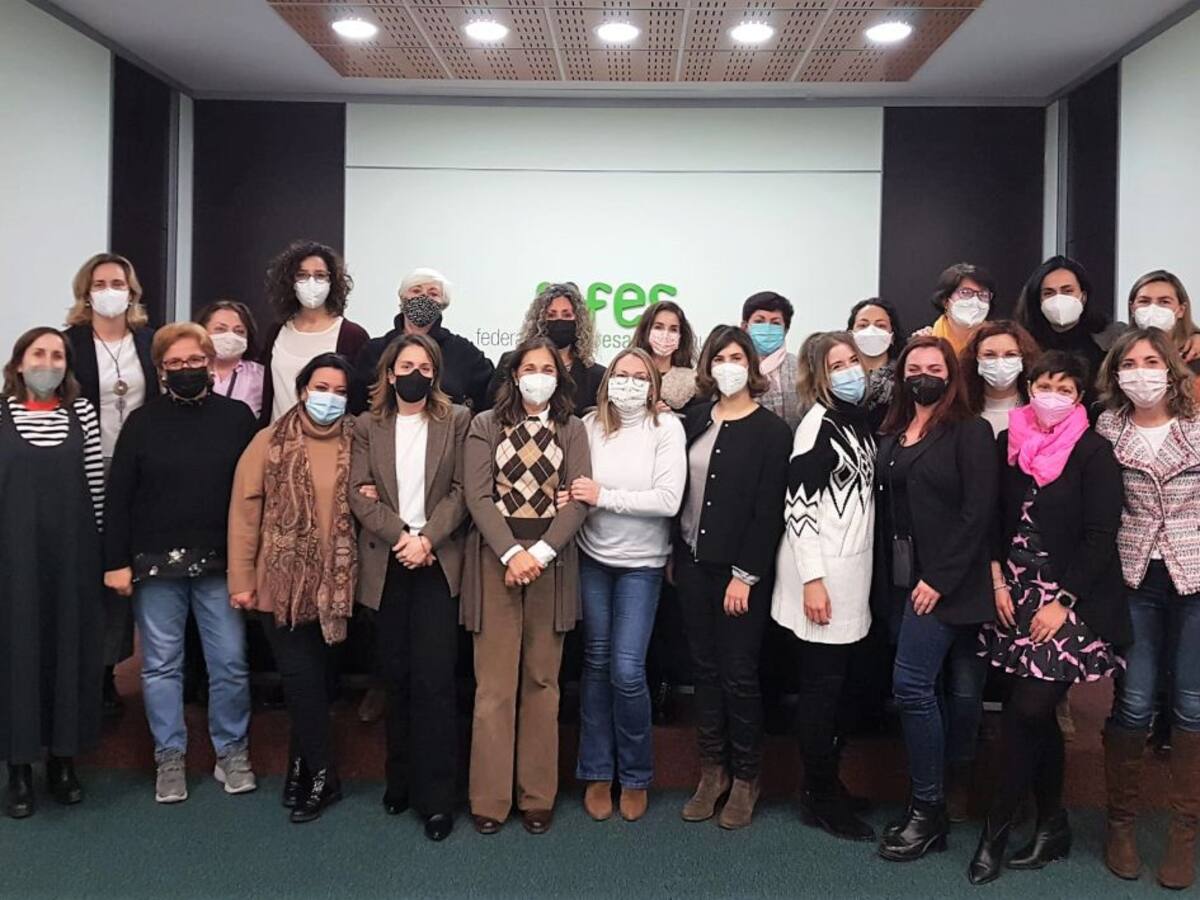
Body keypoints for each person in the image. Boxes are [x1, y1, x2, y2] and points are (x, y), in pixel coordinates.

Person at [969, 351, 1128, 884]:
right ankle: (1052, 823)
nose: (1052, 396)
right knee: (1034, 715)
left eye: (1065, 388)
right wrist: (996, 579)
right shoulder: (1008, 441)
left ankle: (995, 832)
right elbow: (993, 518)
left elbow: (1101, 535)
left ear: (1079, 397)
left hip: (1068, 601)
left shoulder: (1094, 451)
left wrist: (1064, 601)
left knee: (1028, 709)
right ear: (1029, 386)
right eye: (1044, 385)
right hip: (1013, 594)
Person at [103, 323, 257, 805]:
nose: (186, 369)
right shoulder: (141, 423)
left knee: (229, 661)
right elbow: (119, 496)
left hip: (221, 562)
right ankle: (169, 755)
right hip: (154, 565)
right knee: (161, 665)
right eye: (175, 363)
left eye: (195, 360)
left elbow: (255, 493)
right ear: (160, 370)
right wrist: (115, 562)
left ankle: (231, 749)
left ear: (210, 364)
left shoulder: (237, 418)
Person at [875, 336, 997, 862]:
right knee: (927, 689)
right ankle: (930, 802)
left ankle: (928, 811)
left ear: (951, 374)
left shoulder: (971, 431)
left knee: (911, 687)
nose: (923, 375)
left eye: (934, 366)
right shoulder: (893, 431)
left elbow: (979, 512)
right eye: (914, 368)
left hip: (946, 585)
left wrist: (940, 579)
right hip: (901, 581)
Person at [463, 338, 591, 835]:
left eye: (548, 369)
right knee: (494, 686)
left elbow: (577, 500)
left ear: (560, 377)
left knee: (542, 682)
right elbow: (478, 497)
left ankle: (537, 796)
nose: (539, 376)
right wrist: (511, 553)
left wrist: (538, 554)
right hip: (495, 560)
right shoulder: (485, 425)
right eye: (530, 368)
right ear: (514, 375)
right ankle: (489, 799)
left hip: (550, 563)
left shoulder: (572, 428)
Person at [348, 334, 470, 841]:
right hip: (389, 561)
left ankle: (437, 798)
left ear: (435, 373)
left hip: (437, 561)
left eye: (424, 366)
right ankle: (399, 778)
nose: (414, 373)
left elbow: (462, 492)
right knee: (395, 677)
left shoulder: (457, 420)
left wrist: (425, 540)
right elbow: (358, 493)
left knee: (435, 681)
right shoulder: (366, 425)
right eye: (405, 365)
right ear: (389, 373)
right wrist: (402, 537)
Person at [228, 352, 356, 824]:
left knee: (317, 684)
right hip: (279, 586)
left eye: (340, 391)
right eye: (321, 388)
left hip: (338, 588)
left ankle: (300, 767)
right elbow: (245, 514)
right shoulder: (269, 441)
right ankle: (325, 776)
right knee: (301, 681)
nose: (329, 398)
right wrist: (241, 579)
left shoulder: (359, 441)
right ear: (303, 390)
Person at [1096, 328, 1200, 890]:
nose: (1142, 372)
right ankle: (1121, 824)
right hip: (1134, 576)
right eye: (1130, 363)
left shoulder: (1197, 425)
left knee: (1191, 704)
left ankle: (1184, 831)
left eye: (1151, 361)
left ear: (1170, 368)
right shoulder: (1106, 428)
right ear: (1116, 374)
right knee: (1134, 702)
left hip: (1195, 575)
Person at [677, 325, 791, 830]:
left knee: (739, 674)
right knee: (703, 670)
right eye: (720, 358)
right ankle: (712, 772)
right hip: (691, 565)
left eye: (737, 358)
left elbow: (768, 512)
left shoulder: (772, 431)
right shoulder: (695, 419)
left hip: (740, 574)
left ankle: (746, 777)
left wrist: (745, 576)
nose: (728, 367)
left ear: (752, 366)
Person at [568, 348, 686, 823]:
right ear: (608, 380)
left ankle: (635, 774)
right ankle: (597, 770)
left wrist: (604, 497)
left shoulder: (666, 428)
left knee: (628, 669)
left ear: (653, 386)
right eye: (622, 374)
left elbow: (668, 500)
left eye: (640, 377)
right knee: (596, 664)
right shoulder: (588, 424)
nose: (630, 383)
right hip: (592, 559)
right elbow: (572, 485)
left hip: (642, 565)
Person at [772, 332, 877, 842]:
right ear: (818, 375)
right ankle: (818, 795)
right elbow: (799, 510)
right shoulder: (817, 425)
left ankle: (828, 783)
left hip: (853, 577)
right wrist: (813, 581)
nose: (850, 370)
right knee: (820, 692)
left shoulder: (854, 421)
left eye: (853, 360)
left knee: (838, 690)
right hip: (821, 580)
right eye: (837, 365)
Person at [1, 328, 104, 819]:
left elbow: (96, 488)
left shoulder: (81, 413)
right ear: (19, 363)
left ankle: (64, 761)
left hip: (72, 558)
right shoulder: (0, 413)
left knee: (69, 653)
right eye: (38, 354)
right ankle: (18, 768)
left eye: (57, 355)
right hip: (12, 559)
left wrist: (101, 555)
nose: (48, 363)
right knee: (15, 656)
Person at [63, 252, 158, 716]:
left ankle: (108, 670)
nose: (109, 291)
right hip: (84, 467)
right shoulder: (69, 344)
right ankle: (79, 669)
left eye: (117, 283)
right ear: (86, 293)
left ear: (132, 291)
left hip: (139, 467)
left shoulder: (149, 342)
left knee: (124, 568)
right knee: (88, 566)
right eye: (99, 284)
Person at [351, 267, 494, 414]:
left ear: (443, 303)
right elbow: (358, 402)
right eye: (416, 291)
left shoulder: (463, 352)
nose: (424, 297)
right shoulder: (374, 350)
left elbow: (489, 397)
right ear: (402, 297)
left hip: (444, 427)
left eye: (433, 293)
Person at [259, 240, 370, 425]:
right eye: (302, 275)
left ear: (332, 281)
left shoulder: (352, 335)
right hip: (278, 436)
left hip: (330, 438)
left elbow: (360, 399)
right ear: (290, 282)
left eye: (320, 275)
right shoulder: (277, 331)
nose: (311, 282)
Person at [486, 283, 605, 416]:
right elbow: (491, 411)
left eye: (567, 315)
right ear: (539, 321)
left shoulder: (595, 376)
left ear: (579, 322)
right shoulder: (510, 363)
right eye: (551, 315)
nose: (559, 321)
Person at [960, 321, 1040, 437]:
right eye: (989, 355)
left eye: (1010, 355)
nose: (1000, 363)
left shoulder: (1039, 410)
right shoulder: (960, 411)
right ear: (975, 360)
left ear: (1023, 360)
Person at [741, 291, 801, 430]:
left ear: (785, 330)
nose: (767, 328)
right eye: (759, 321)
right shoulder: (736, 368)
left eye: (775, 323)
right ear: (744, 327)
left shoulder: (801, 368)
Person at [196, 299, 265, 419]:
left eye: (239, 331)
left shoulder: (261, 376)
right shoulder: (189, 370)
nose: (230, 336)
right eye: (220, 329)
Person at [630, 299, 699, 412]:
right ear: (646, 331)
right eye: (658, 327)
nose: (665, 334)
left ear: (680, 336)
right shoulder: (627, 375)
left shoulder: (691, 381)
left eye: (673, 329)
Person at [1125, 270, 1200, 374]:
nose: (1153, 308)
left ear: (1181, 310)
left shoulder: (1194, 354)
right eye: (1144, 301)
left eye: (1164, 302)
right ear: (1132, 308)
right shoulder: (1118, 351)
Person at [847, 298, 905, 432]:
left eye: (881, 326)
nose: (871, 331)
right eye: (863, 325)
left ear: (892, 336)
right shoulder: (841, 380)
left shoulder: (903, 378)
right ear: (851, 334)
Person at [926, 263, 996, 356]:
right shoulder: (927, 340)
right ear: (945, 300)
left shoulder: (998, 339)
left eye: (983, 294)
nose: (975, 301)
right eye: (965, 292)